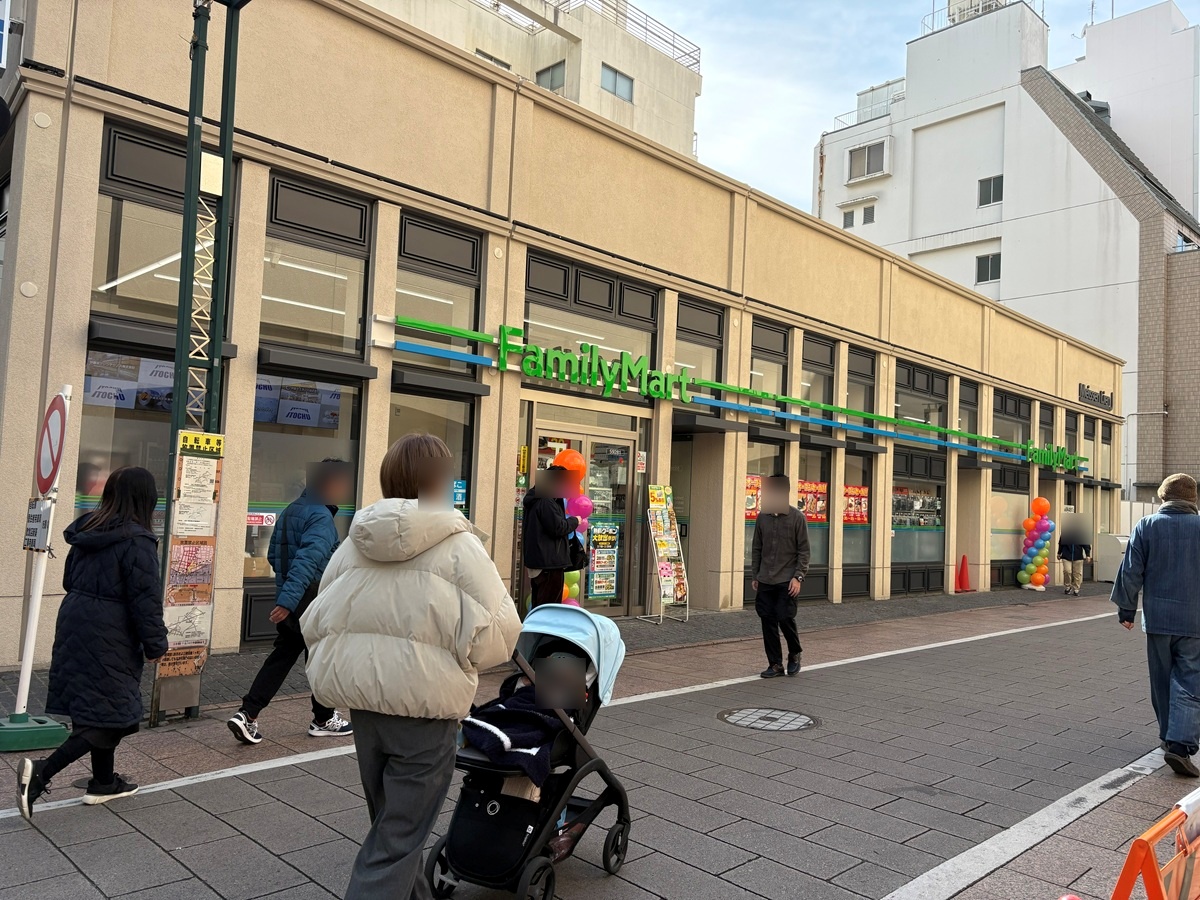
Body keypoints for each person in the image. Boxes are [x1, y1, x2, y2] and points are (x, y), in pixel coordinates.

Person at [301, 433, 522, 899]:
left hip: (364, 707)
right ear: (441, 481)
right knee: (396, 840)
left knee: (393, 828)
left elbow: (318, 617)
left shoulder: (354, 542)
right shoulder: (459, 544)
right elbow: (502, 635)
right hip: (426, 710)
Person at [17, 466, 168, 820]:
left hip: (76, 619)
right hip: (111, 629)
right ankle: (41, 772)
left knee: (101, 705)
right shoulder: (138, 541)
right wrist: (156, 645)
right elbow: (145, 600)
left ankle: (103, 782)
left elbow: (70, 579)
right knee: (109, 714)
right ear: (146, 499)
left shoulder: (88, 529)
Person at [228, 458, 355, 745]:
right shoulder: (320, 516)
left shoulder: (292, 510)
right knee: (320, 657)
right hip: (309, 596)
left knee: (285, 655)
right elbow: (307, 561)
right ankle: (323, 718)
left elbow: (274, 556)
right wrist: (290, 599)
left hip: (292, 593)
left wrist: (286, 595)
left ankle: (248, 713)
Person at [1112, 473, 1200, 778]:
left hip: (1158, 620)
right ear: (1193, 499)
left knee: (1161, 680)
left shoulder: (1146, 526)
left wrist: (1126, 608)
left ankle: (1168, 735)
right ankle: (1180, 743)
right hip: (1195, 621)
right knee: (1190, 680)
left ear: (1162, 497)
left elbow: (1131, 569)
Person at [751, 474, 811, 679]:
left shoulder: (797, 518)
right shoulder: (762, 517)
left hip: (787, 579)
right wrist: (755, 574)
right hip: (765, 578)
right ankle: (775, 664)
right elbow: (757, 548)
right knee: (767, 621)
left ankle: (794, 653)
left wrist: (798, 577)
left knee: (785, 618)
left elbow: (804, 551)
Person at [522, 465, 580, 609]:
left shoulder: (537, 499)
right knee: (548, 607)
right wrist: (575, 520)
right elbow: (558, 527)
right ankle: (542, 632)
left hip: (541, 561)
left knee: (540, 605)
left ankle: (537, 631)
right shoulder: (545, 501)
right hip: (548, 563)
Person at [1057, 517, 1092, 597]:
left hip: (1078, 556)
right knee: (1067, 571)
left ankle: (1076, 589)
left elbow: (1086, 545)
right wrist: (1059, 553)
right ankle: (1068, 586)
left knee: (1077, 574)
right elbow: (1061, 544)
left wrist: (1088, 555)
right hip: (1066, 555)